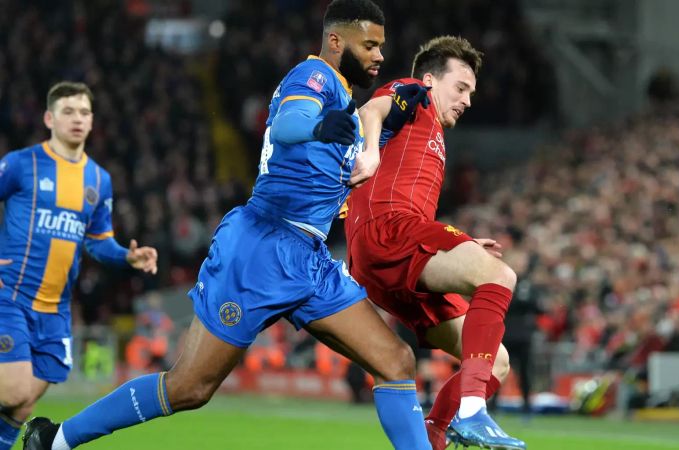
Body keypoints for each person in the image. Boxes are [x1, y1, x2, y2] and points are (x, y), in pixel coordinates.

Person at [23, 2, 432, 449]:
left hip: (310, 260)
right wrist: (321, 126)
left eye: (381, 47)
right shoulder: (312, 77)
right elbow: (292, 124)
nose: (378, 55)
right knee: (189, 388)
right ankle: (57, 439)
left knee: (395, 360)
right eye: (369, 44)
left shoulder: (343, 101)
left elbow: (345, 152)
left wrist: (390, 118)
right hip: (261, 250)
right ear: (336, 41)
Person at [345, 36, 526, 449]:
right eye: (460, 88)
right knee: (499, 275)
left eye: (471, 93)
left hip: (396, 256)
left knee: (496, 361)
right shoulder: (415, 95)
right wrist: (370, 151)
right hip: (387, 230)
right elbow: (371, 108)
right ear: (430, 80)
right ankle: (473, 412)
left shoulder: (431, 135)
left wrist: (455, 246)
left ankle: (434, 434)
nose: (467, 100)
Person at [0, 81, 159, 450]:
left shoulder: (98, 180)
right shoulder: (23, 165)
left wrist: (126, 256)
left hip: (55, 309)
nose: (77, 119)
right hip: (11, 296)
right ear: (49, 118)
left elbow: (98, 240)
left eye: (84, 112)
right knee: (14, 390)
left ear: (92, 121)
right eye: (68, 111)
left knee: (22, 404)